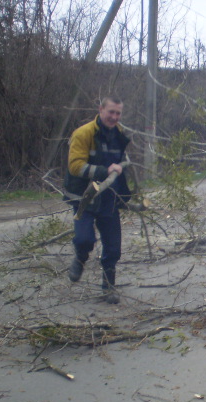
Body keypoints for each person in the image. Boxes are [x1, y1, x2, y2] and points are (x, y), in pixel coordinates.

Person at [63, 96, 132, 304]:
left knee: (113, 248)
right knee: (84, 239)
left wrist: (126, 196)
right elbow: (75, 166)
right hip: (84, 197)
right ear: (100, 109)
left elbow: (120, 166)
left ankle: (108, 287)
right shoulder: (84, 133)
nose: (114, 117)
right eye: (111, 112)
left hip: (109, 198)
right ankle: (81, 258)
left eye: (118, 113)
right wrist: (104, 171)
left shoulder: (119, 134)